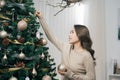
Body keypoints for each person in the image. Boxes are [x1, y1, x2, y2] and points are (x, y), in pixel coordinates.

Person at [36, 11, 96, 80]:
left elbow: (91, 78)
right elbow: (51, 37)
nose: (69, 35)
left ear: (80, 35)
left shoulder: (86, 56)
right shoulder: (66, 47)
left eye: (72, 32)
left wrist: (71, 75)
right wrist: (41, 18)